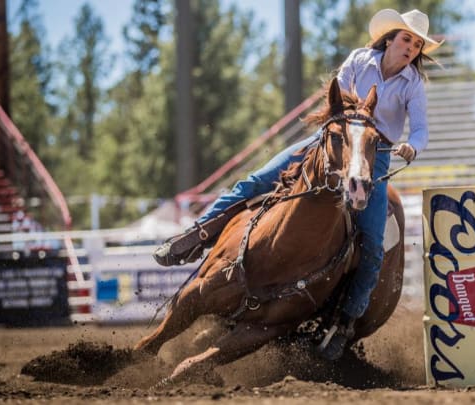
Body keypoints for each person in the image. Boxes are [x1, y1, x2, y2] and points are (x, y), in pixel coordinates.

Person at [154, 8, 442, 360]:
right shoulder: (360, 59)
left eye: (416, 44)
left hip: (375, 152)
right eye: (406, 39)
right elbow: (338, 99)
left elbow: (422, 128)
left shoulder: (412, 84)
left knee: (373, 246)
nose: (411, 47)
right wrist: (344, 130)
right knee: (257, 180)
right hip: (334, 138)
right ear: (390, 38)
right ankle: (196, 235)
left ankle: (346, 321)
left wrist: (414, 145)